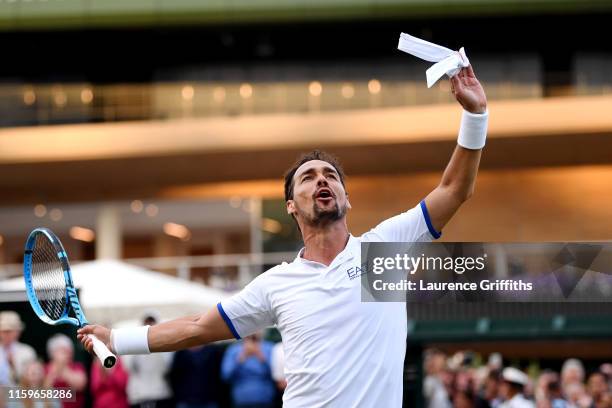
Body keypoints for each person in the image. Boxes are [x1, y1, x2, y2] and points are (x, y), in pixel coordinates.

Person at [78, 62, 488, 407]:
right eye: (308, 178)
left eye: (331, 176)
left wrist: (475, 116)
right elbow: (199, 327)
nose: (322, 181)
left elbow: (454, 189)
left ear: (346, 197)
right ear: (292, 205)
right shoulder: (276, 284)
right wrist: (117, 337)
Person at [122, 313, 173, 408]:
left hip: (160, 394)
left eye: (152, 323)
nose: (149, 326)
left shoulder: (165, 345)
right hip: (139, 396)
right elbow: (128, 367)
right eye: (147, 323)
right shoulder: (133, 344)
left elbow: (168, 366)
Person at [221, 332, 275, 408]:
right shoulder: (233, 350)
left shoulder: (269, 347)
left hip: (265, 399)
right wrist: (242, 357)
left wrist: (260, 356)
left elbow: (277, 375)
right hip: (241, 399)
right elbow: (226, 376)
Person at [44, 334, 87, 408]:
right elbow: (42, 391)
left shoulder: (77, 366)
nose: (68, 353)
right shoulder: (45, 368)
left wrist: (63, 368)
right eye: (64, 350)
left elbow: (81, 386)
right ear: (52, 352)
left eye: (69, 349)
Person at [0, 311, 36, 386]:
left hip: (20, 394)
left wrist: (13, 365)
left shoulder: (27, 351)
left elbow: (32, 379)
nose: (6, 334)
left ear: (18, 332)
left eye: (9, 331)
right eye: (4, 331)